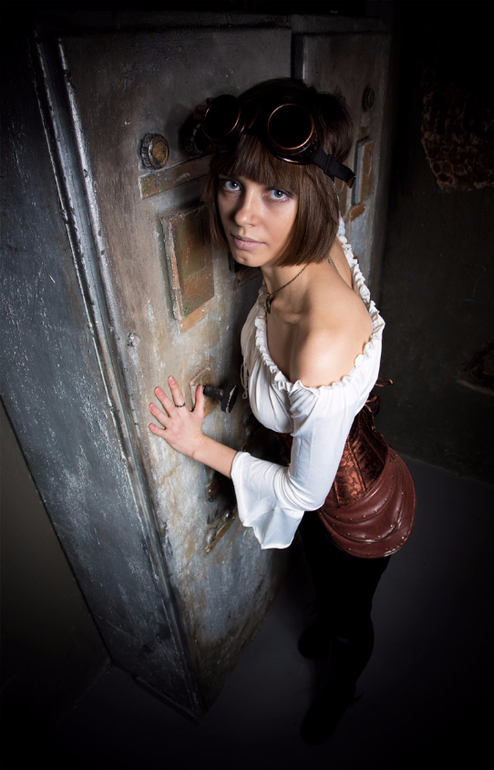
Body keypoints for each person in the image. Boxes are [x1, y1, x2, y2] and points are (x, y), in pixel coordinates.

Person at [148, 79, 408, 744]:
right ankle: (329, 619)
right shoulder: (317, 243)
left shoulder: (319, 341)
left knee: (349, 617)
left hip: (357, 508)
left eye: (276, 193)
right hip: (336, 470)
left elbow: (302, 493)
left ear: (313, 195)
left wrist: (195, 443)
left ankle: (342, 688)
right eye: (232, 183)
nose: (243, 216)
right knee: (324, 586)